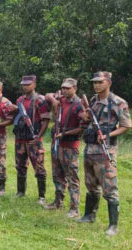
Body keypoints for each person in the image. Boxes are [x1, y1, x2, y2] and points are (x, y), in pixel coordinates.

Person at [78, 71, 131, 236]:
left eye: (100, 82)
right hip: (90, 148)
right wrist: (85, 116)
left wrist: (108, 135)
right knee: (90, 184)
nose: (96, 85)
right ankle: (89, 215)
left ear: (108, 82)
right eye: (94, 82)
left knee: (109, 187)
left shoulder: (118, 102)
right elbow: (88, 120)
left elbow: (126, 125)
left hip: (105, 150)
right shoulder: (93, 100)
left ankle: (113, 226)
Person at [43, 78, 84, 218]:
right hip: (57, 145)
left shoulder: (79, 105)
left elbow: (81, 127)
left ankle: (74, 208)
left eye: (68, 88)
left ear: (75, 88)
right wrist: (54, 101)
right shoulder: (61, 101)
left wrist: (65, 133)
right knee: (57, 175)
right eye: (63, 88)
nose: (65, 90)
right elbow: (47, 95)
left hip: (70, 147)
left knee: (72, 177)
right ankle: (57, 202)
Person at [13, 75, 50, 205]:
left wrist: (38, 136)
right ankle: (21, 192)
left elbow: (45, 120)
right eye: (23, 84)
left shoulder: (40, 100)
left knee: (39, 167)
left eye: (28, 84)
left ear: (34, 84)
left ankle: (41, 196)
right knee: (20, 165)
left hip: (33, 140)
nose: (25, 86)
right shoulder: (20, 100)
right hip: (20, 139)